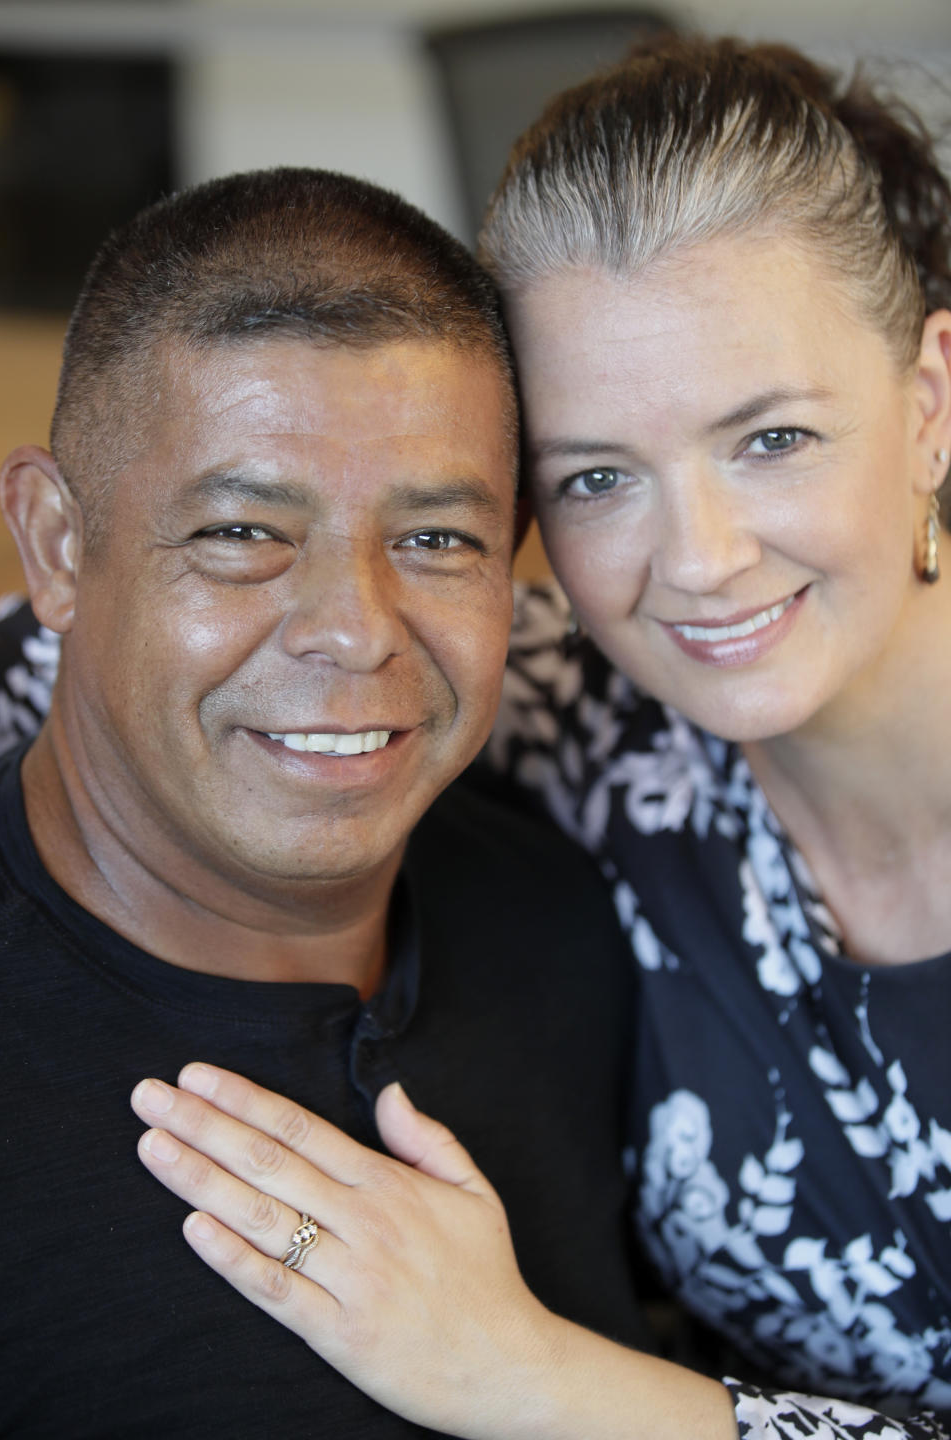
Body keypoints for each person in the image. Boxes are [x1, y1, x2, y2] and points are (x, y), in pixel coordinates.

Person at [110, 35, 951, 1440]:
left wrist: (529, 1378)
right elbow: (87, 633)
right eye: (599, 477)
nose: (699, 559)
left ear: (929, 402)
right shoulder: (588, 729)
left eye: (773, 440)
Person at [0, 166, 664, 1437]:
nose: (355, 634)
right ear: (57, 544)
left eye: (435, 541)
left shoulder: (564, 925)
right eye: (242, 532)